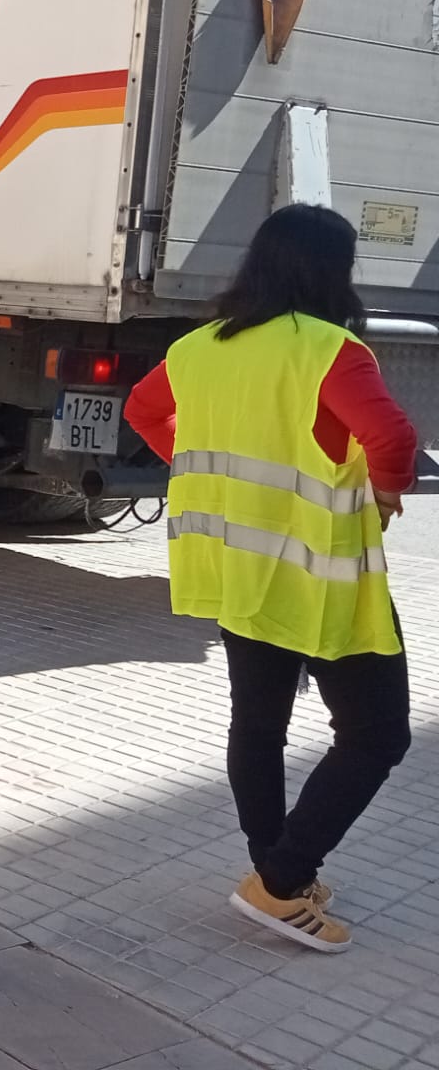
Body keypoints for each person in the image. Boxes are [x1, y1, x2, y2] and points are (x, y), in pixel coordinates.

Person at [124, 204, 416, 954]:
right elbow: (392, 436)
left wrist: (204, 470)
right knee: (376, 732)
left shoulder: (199, 348)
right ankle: (281, 882)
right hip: (320, 577)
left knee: (258, 725)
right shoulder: (331, 350)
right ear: (333, 272)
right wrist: (386, 490)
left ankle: (273, 873)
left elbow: (144, 409)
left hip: (238, 567)